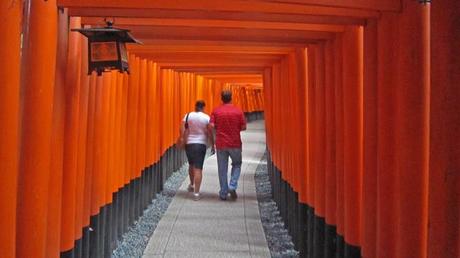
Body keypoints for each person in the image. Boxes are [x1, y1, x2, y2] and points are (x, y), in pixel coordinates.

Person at [209, 90, 247, 200]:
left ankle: (223, 193)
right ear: (231, 98)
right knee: (237, 164)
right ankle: (232, 185)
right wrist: (235, 129)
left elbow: (211, 125)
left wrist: (217, 130)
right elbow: (244, 127)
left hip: (221, 143)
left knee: (222, 168)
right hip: (235, 143)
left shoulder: (216, 111)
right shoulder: (238, 111)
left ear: (222, 98)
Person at [180, 100, 212, 201]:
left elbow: (181, 128)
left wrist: (182, 138)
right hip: (201, 144)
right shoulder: (206, 117)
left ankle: (191, 184)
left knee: (191, 165)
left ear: (195, 106)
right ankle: (196, 193)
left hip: (189, 143)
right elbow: (209, 132)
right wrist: (213, 144)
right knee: (198, 168)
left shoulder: (188, 115)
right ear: (203, 107)